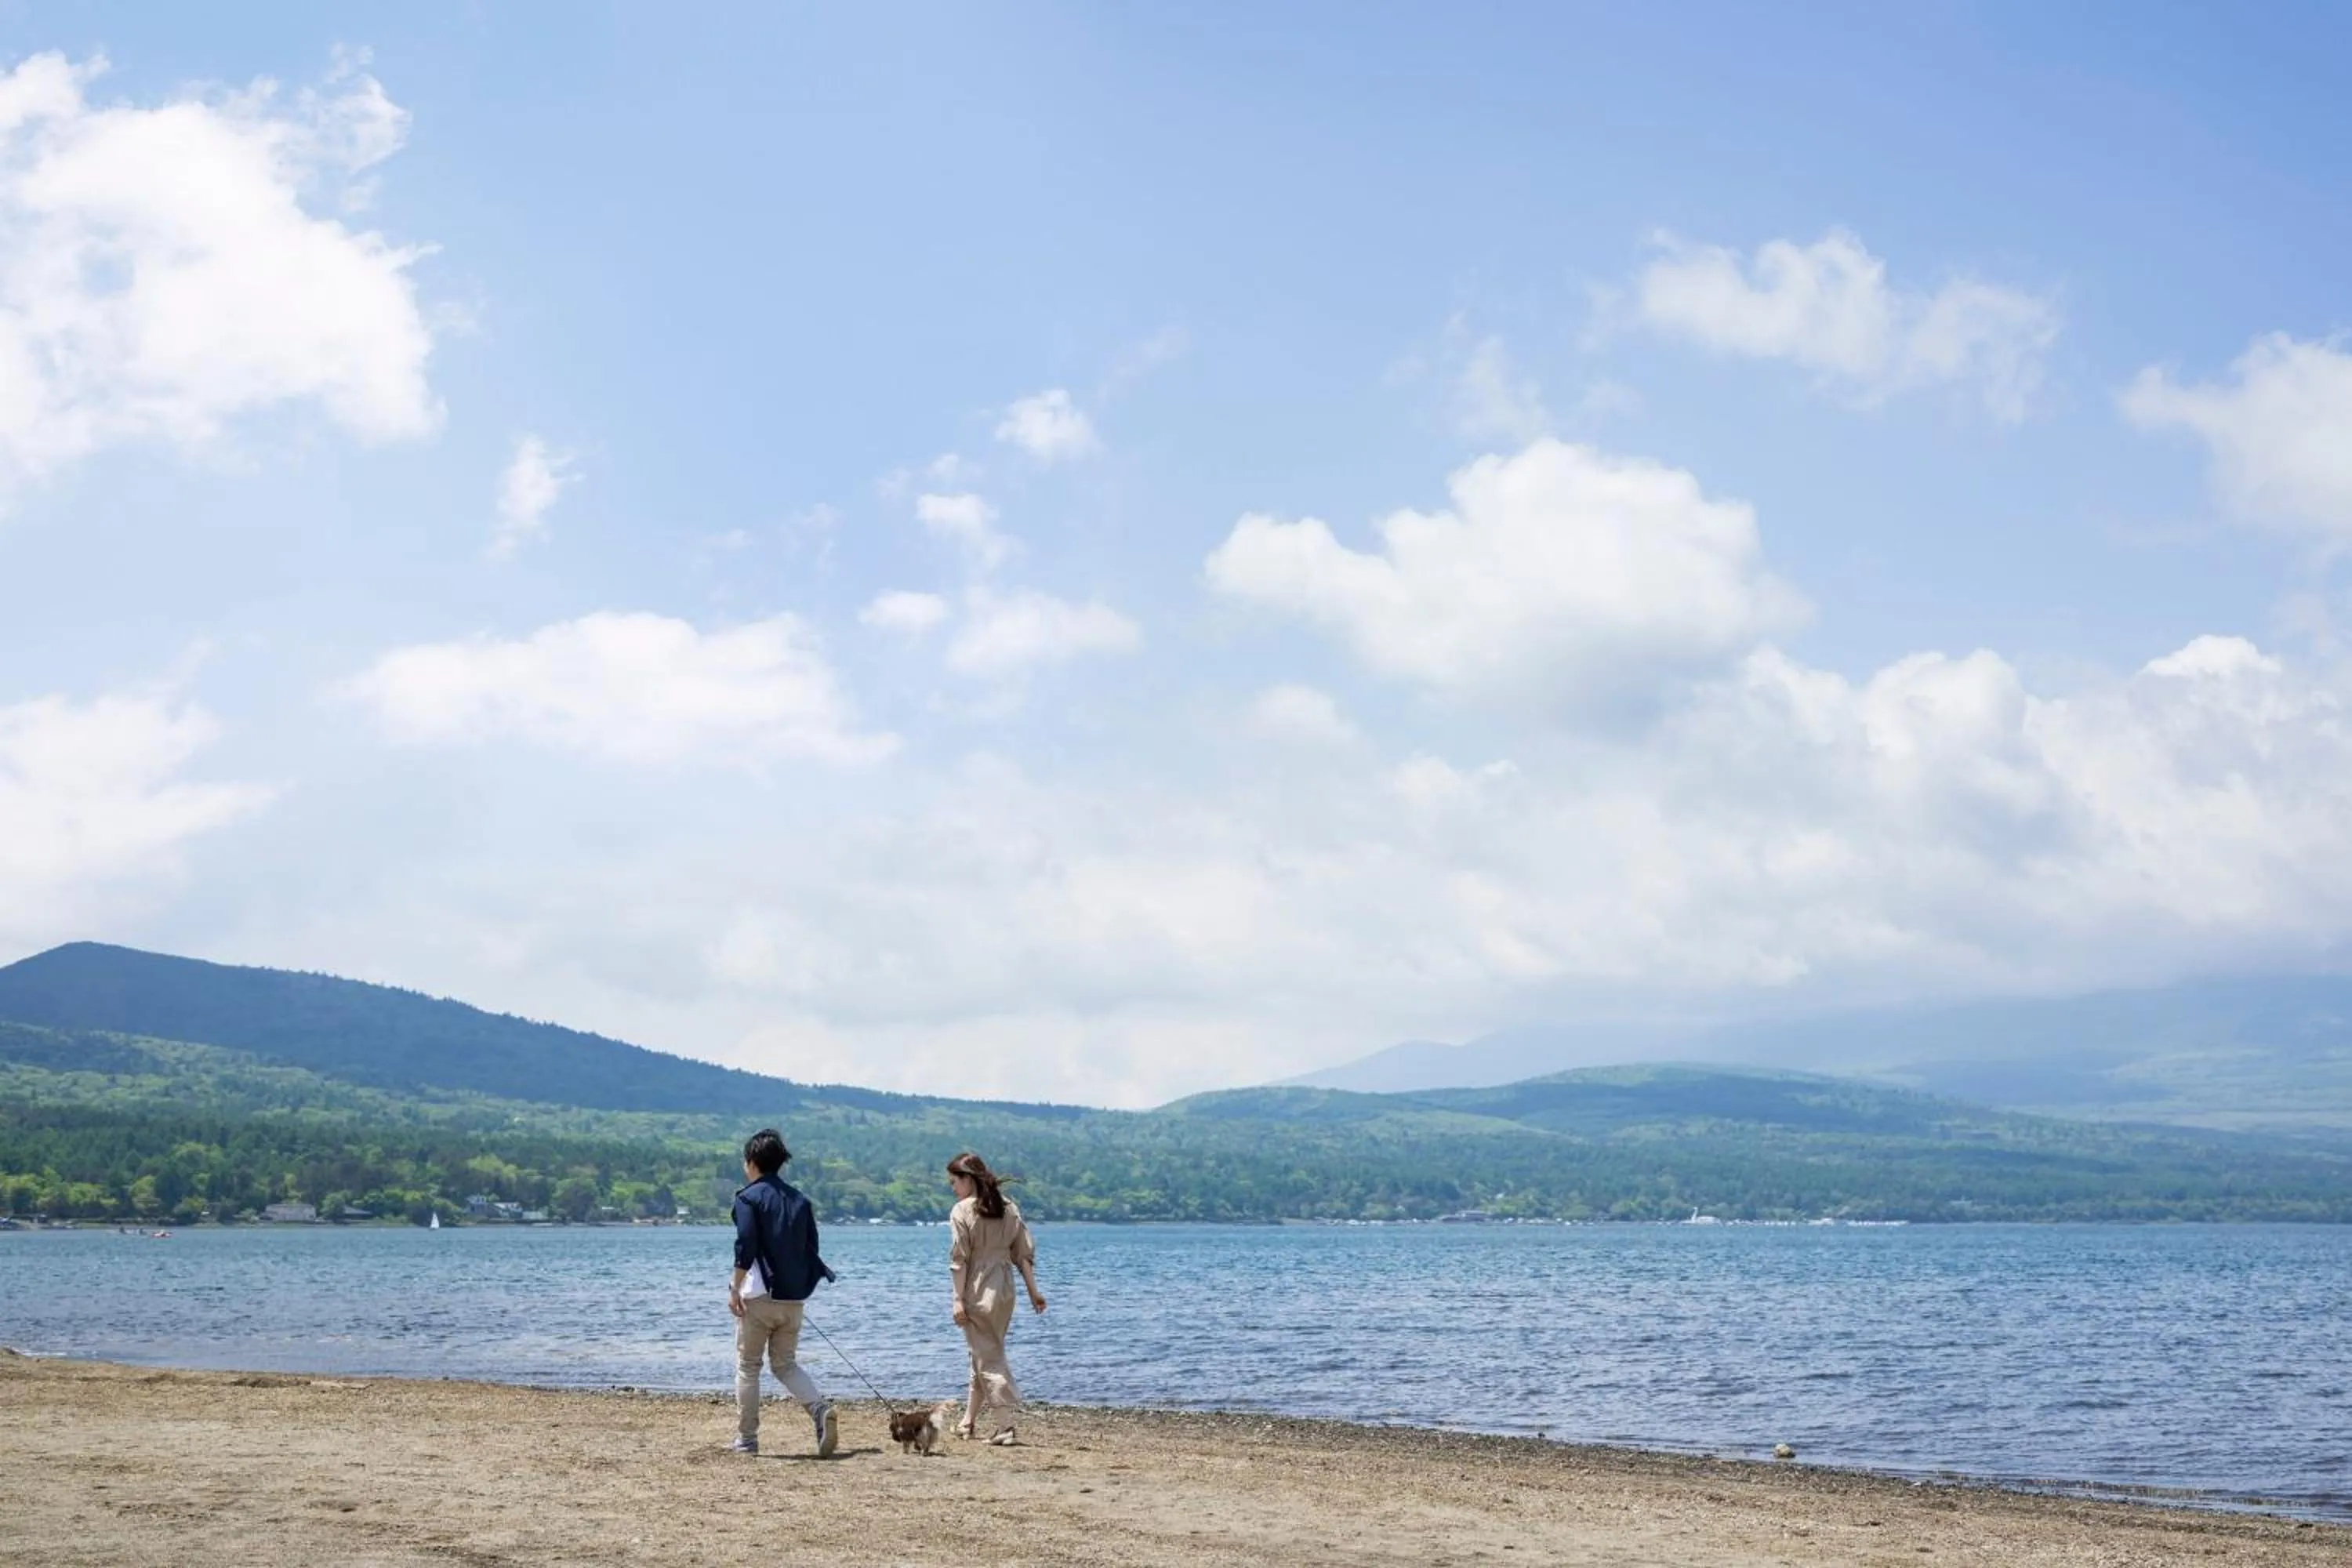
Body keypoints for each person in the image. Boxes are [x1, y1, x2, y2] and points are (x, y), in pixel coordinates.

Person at [728, 1127, 838, 1457]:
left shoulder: (747, 1197)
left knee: (749, 1366)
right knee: (786, 1364)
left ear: (751, 1163)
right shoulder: (801, 1201)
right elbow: (811, 1249)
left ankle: (747, 1439)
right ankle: (819, 1410)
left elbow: (745, 1246)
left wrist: (735, 1288)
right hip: (792, 1300)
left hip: (759, 1298)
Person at [946, 1151, 1047, 1445]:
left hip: (978, 1287)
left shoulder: (962, 1211)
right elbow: (1023, 1255)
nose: (953, 1188)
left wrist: (957, 1299)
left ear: (968, 1180)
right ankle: (968, 1422)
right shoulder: (1009, 1207)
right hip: (1005, 1288)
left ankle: (1005, 1426)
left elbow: (959, 1260)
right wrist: (1034, 1292)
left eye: (954, 1182)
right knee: (983, 1351)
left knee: (988, 1356)